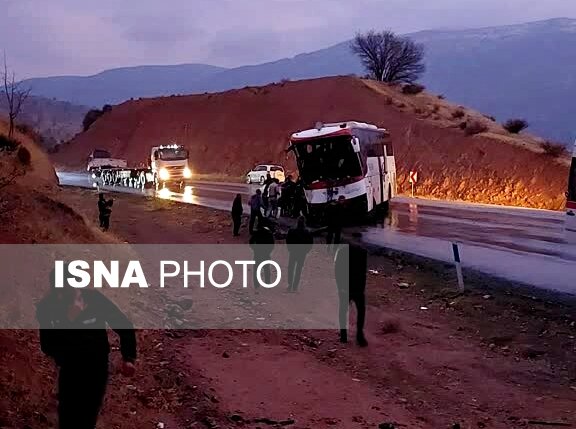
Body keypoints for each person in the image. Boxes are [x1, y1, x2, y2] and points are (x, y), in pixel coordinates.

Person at [36, 272, 137, 429]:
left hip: (97, 369)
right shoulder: (48, 307)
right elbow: (48, 345)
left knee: (88, 417)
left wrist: (128, 357)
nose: (75, 294)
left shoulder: (94, 299)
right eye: (66, 290)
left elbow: (124, 324)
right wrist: (69, 320)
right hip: (71, 370)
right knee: (69, 418)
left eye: (75, 288)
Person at [334, 235, 368, 347]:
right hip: (357, 286)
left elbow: (337, 270)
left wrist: (339, 286)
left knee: (343, 310)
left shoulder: (342, 251)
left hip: (345, 285)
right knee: (361, 310)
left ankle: (343, 334)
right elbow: (363, 273)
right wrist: (362, 287)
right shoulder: (363, 252)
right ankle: (359, 334)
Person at [286, 216, 313, 292]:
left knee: (291, 268)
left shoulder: (292, 231)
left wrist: (290, 249)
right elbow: (310, 243)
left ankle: (290, 284)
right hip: (302, 253)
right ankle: (295, 286)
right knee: (298, 269)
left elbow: (288, 240)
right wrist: (306, 251)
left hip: (293, 251)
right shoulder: (307, 232)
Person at [249, 219, 275, 292]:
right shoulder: (269, 233)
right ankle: (267, 283)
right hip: (266, 253)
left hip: (257, 253)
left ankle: (256, 284)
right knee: (266, 269)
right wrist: (269, 251)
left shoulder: (257, 232)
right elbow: (272, 244)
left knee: (256, 269)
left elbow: (251, 242)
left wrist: (254, 249)